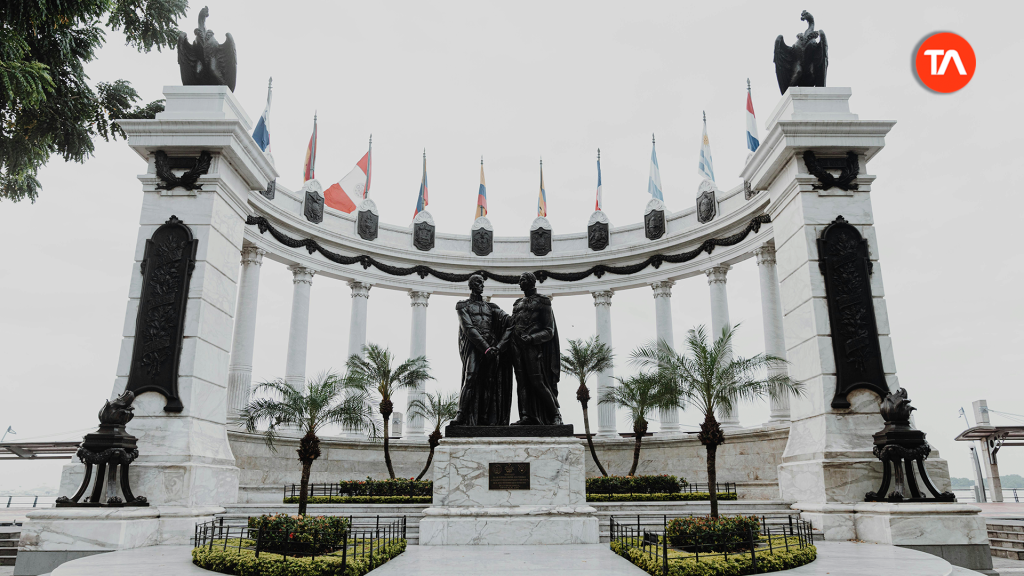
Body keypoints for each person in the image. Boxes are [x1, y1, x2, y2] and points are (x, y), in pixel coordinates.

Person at [452, 275, 513, 426]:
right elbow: (468, 328)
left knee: (489, 382)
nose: (482, 286)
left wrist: (499, 346)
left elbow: (509, 321)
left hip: (492, 347)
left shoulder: (491, 307)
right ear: (471, 285)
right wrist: (486, 348)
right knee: (470, 377)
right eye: (479, 283)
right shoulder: (462, 305)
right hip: (475, 346)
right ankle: (461, 414)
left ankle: (485, 417)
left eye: (483, 283)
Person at [506, 272, 563, 425]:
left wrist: (532, 338)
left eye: (523, 279)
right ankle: (526, 416)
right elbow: (512, 326)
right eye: (519, 280)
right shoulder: (517, 303)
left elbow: (549, 330)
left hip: (533, 347)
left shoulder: (543, 301)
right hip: (516, 346)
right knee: (522, 383)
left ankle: (555, 415)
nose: (520, 283)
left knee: (537, 381)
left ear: (532, 281)